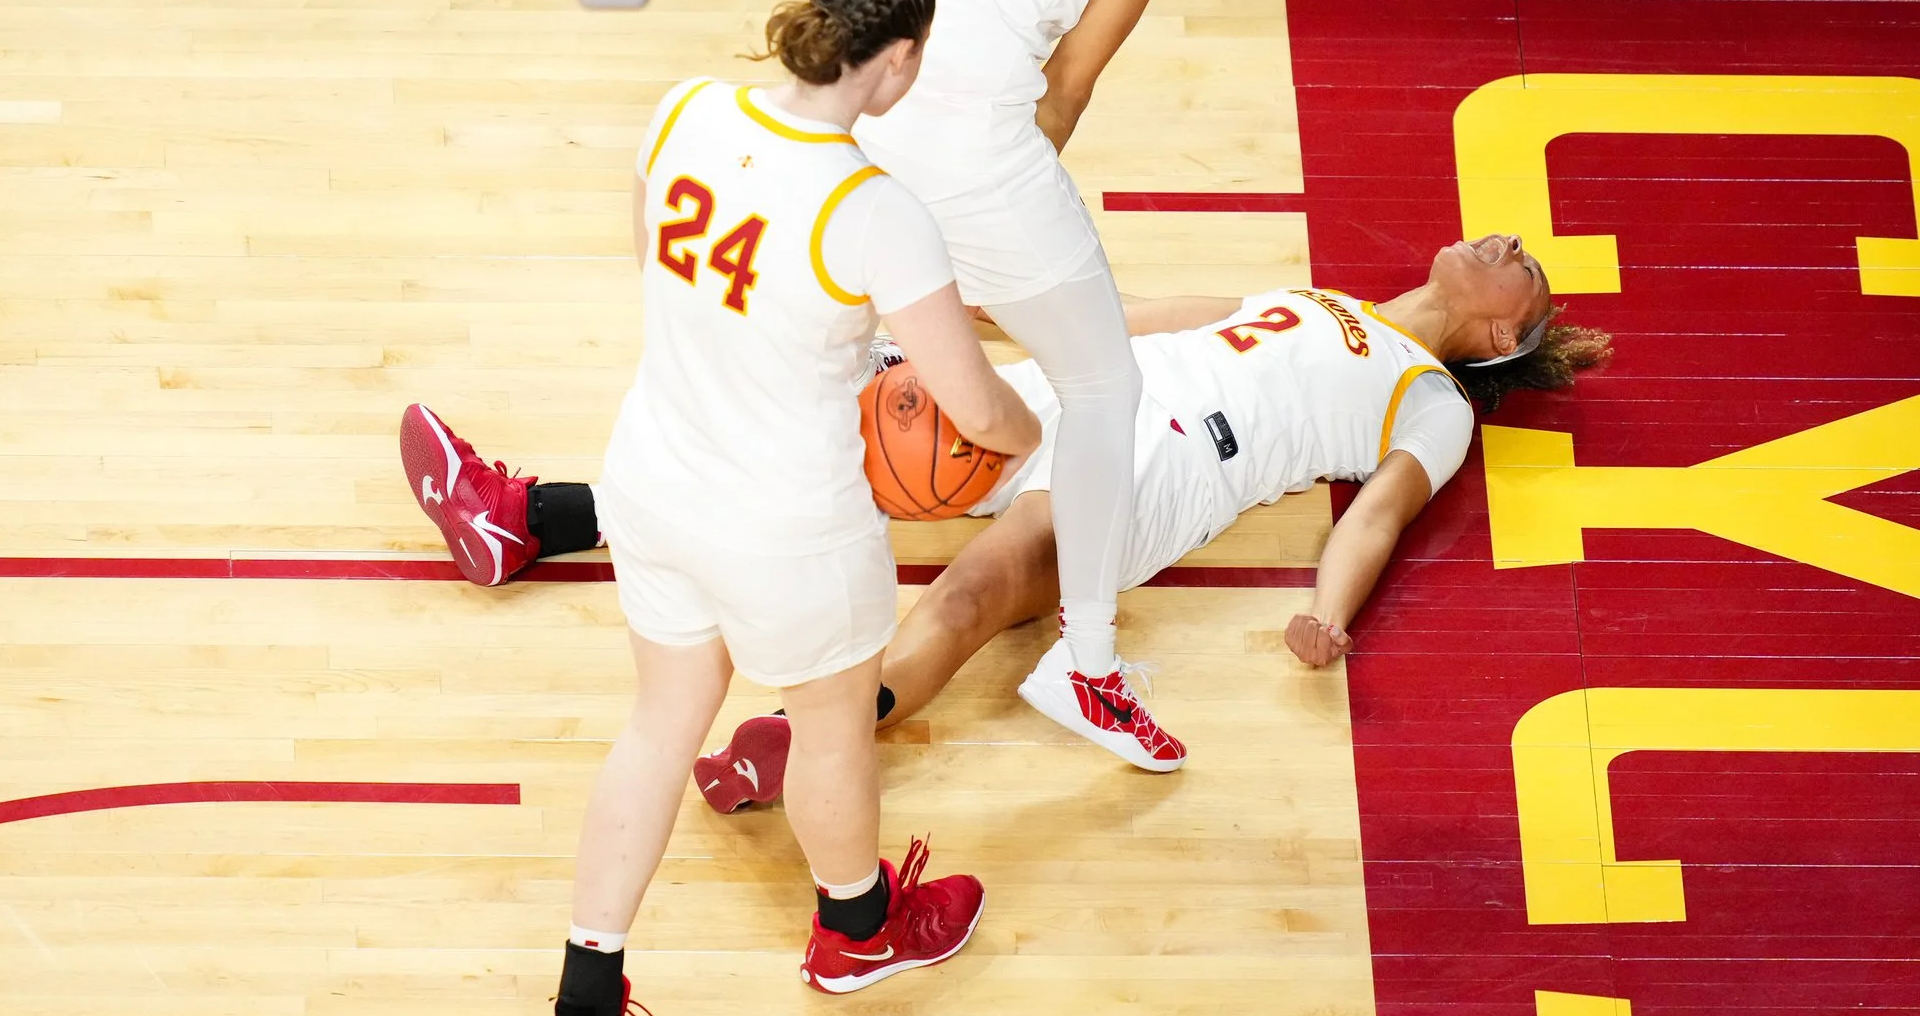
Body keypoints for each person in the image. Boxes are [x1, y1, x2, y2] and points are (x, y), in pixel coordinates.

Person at [401, 0, 1043, 1016]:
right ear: (896, 62)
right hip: (786, 523)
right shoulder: (873, 206)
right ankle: (856, 929)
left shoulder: (686, 106)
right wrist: (1021, 433)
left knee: (657, 727)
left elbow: (649, 253)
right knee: (833, 726)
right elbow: (967, 398)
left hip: (651, 476)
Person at [405, 236, 1605, 795]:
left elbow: (1378, 517)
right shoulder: (1321, 294)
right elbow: (1143, 314)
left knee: (970, 599)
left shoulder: (1434, 402)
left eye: (1522, 268)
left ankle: (799, 742)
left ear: (1502, 330)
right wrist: (986, 322)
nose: (1505, 238)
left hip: (1163, 463)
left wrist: (1327, 616)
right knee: (801, 445)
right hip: (1073, 390)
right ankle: (522, 516)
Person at [852, 0, 1234, 771]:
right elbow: (1065, 88)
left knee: (807, 355)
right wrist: (997, 233)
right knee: (1104, 384)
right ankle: (1090, 663)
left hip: (863, 109)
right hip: (974, 143)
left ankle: (558, 514)